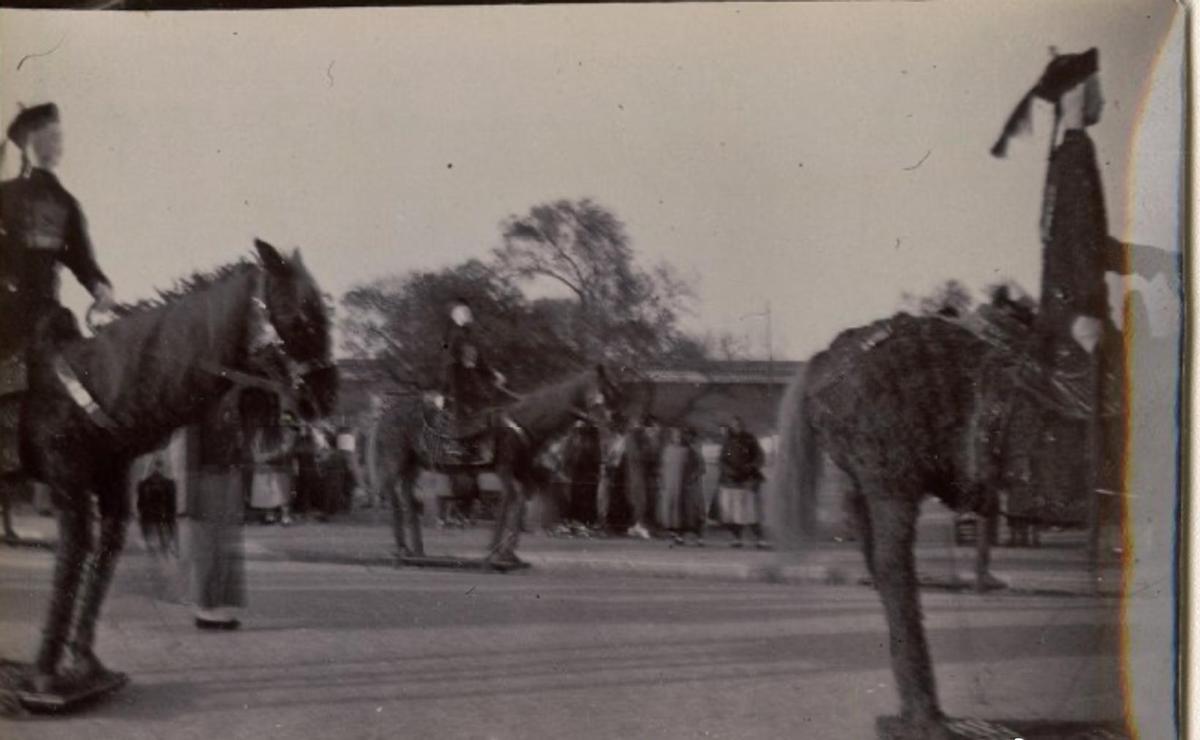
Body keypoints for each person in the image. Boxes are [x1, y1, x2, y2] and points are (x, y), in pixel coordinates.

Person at [0, 103, 116, 484]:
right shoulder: (4, 195)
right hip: (5, 312)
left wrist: (100, 288)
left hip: (47, 316)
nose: (57, 144)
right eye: (49, 136)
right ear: (28, 141)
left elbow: (82, 260)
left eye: (59, 137)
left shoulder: (67, 204)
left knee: (80, 382)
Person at [185, 388, 258, 630]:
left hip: (227, 477)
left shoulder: (232, 406)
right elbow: (191, 453)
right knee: (210, 545)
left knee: (226, 545)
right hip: (208, 478)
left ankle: (218, 606)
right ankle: (206, 609)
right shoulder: (201, 407)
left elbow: (240, 447)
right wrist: (191, 495)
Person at [717, 416, 767, 548]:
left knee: (751, 511)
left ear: (743, 426)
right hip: (731, 480)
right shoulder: (727, 441)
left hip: (748, 479)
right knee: (733, 512)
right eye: (734, 425)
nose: (737, 427)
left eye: (739, 425)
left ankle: (760, 539)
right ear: (731, 427)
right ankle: (736, 538)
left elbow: (759, 457)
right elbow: (722, 459)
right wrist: (728, 470)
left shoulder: (750, 439)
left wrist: (751, 467)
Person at [658, 427, 706, 546]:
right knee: (676, 511)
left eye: (680, 436)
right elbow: (663, 467)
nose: (678, 438)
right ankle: (678, 536)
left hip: (687, 486)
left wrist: (693, 477)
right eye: (676, 436)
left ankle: (698, 537)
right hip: (673, 486)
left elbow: (700, 467)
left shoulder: (690, 451)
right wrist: (662, 481)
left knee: (691, 511)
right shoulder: (669, 450)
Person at [562, 420, 602, 533]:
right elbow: (570, 457)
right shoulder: (577, 441)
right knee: (579, 496)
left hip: (586, 472)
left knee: (587, 496)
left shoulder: (589, 441)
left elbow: (596, 458)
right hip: (580, 472)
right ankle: (578, 521)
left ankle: (585, 521)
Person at [137, 457, 178, 556]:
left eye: (158, 466)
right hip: (154, 510)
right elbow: (142, 500)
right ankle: (160, 544)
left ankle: (162, 544)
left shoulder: (166, 483)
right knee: (155, 525)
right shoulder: (146, 483)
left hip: (159, 509)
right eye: (156, 466)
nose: (157, 469)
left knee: (160, 525)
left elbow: (171, 500)